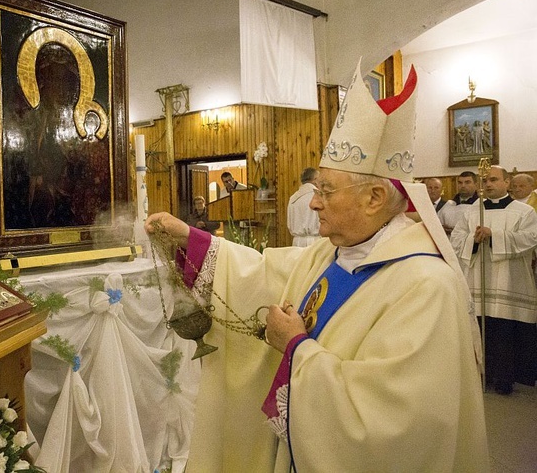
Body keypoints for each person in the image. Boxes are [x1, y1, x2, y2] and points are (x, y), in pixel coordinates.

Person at [145, 61, 487, 472]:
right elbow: (262, 274)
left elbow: (394, 427)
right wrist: (191, 238)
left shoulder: (426, 286)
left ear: (375, 198)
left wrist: (296, 348)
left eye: (325, 190)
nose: (313, 202)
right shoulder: (334, 252)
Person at [451, 165, 537, 395]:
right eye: (485, 181)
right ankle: (481, 374)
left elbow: (531, 238)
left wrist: (495, 236)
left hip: (508, 281)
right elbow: (456, 239)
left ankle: (504, 378)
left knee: (504, 331)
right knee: (478, 328)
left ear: (507, 183)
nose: (488, 184)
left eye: (493, 180)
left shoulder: (524, 211)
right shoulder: (471, 211)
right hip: (477, 280)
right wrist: (474, 239)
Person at [287, 167, 320, 247]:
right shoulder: (318, 196)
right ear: (315, 180)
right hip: (315, 241)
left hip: (297, 242)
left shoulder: (293, 198)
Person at [438, 170, 479, 235]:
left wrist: (456, 231)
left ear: (476, 185)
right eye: (460, 182)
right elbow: (438, 224)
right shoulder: (448, 204)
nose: (463, 185)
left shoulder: (480, 205)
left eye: (467, 182)